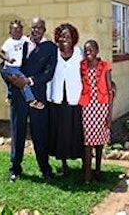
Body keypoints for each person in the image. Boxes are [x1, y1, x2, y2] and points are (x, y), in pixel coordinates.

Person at [0, 17, 57, 183]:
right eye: (33, 27)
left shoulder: (50, 48)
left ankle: (45, 168)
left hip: (37, 96)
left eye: (39, 28)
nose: (35, 30)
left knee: (40, 133)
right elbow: (2, 66)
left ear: (44, 29)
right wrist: (12, 80)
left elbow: (49, 73)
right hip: (18, 96)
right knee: (18, 132)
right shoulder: (20, 43)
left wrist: (29, 80)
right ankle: (14, 169)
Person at [47, 23, 84, 176]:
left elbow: (89, 71)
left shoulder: (79, 53)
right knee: (60, 132)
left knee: (77, 131)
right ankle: (63, 163)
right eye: (62, 36)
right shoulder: (53, 53)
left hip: (75, 98)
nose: (65, 39)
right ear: (57, 37)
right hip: (57, 98)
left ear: (73, 38)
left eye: (68, 36)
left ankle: (83, 162)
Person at [79, 39, 114, 184]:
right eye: (86, 50)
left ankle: (98, 170)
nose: (88, 52)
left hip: (101, 108)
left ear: (97, 51)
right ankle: (87, 174)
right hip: (87, 108)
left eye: (91, 49)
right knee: (87, 142)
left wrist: (109, 115)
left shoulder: (105, 66)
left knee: (100, 142)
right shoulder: (82, 66)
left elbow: (110, 91)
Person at [0, 20, 44, 109]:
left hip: (19, 66)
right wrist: (8, 59)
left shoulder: (23, 38)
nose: (17, 32)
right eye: (15, 30)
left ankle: (9, 96)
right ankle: (31, 100)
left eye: (19, 29)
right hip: (10, 66)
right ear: (10, 32)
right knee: (23, 81)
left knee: (13, 81)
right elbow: (1, 53)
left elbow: (32, 40)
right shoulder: (9, 42)